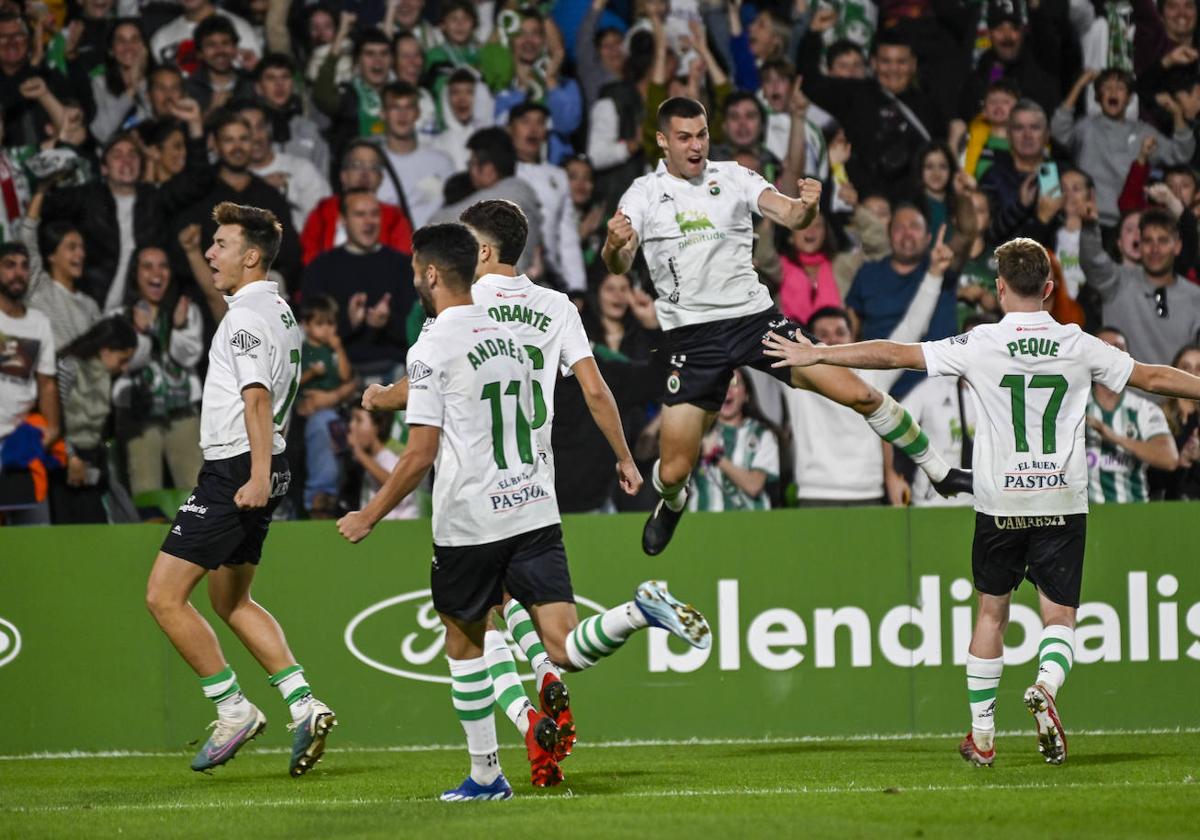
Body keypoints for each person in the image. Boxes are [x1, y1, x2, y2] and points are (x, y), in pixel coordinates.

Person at [762, 236, 1200, 768]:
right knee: (1059, 616)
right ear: (1048, 288)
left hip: (1000, 499)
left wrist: (819, 352)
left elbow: (895, 354)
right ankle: (1044, 686)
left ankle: (984, 737)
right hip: (1062, 495)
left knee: (992, 613)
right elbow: (1153, 376)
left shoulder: (980, 343)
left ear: (997, 289)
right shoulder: (1079, 342)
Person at [337, 221, 709, 800]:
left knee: (465, 638)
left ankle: (486, 771)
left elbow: (423, 442)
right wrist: (625, 456)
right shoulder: (527, 324)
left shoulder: (440, 333)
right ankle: (636, 612)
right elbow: (591, 390)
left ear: (445, 267)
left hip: (470, 516)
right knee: (561, 645)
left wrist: (370, 512)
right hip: (535, 503)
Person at [603, 96, 971, 556]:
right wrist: (616, 245)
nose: (695, 146)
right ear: (662, 141)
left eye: (701, 135)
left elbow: (792, 215)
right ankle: (673, 504)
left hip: (754, 321)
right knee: (675, 470)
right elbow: (616, 263)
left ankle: (940, 471)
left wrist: (808, 207)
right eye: (684, 137)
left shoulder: (733, 176)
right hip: (692, 339)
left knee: (858, 392)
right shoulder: (642, 193)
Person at [144, 202, 336, 778]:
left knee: (163, 596)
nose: (210, 253)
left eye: (221, 244)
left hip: (238, 471)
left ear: (251, 256)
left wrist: (252, 475)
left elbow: (255, 398)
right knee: (231, 601)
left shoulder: (245, 319)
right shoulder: (279, 311)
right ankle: (305, 704)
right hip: (268, 465)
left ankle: (232, 709)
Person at [112, 246, 204, 497]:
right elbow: (129, 363)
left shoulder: (185, 310)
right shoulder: (120, 316)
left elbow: (188, 357)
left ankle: (193, 537)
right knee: (145, 491)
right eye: (148, 266)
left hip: (182, 411)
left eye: (163, 265)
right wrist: (140, 332)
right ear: (135, 274)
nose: (157, 273)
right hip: (138, 414)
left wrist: (180, 326)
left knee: (194, 491)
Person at [299, 189, 415, 380]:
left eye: (374, 214)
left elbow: (417, 330)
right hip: (336, 370)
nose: (369, 221)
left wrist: (386, 322)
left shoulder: (403, 266)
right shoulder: (320, 268)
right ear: (343, 219)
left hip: (393, 367)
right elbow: (310, 336)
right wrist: (349, 322)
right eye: (360, 214)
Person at [1080, 206, 1200, 368]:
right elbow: (1092, 261)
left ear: (1177, 246)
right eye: (1148, 240)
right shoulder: (1116, 280)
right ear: (1140, 245)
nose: (1155, 249)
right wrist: (1089, 227)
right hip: (1122, 392)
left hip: (1175, 392)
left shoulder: (1195, 296)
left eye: (1163, 240)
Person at [52, 316, 137, 524]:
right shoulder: (68, 367)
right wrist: (70, 456)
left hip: (91, 461)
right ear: (105, 350)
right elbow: (54, 416)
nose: (125, 367)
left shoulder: (107, 375)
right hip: (62, 459)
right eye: (123, 359)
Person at [0, 242, 61, 525]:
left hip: (21, 442)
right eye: (9, 265)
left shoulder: (38, 322)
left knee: (34, 533)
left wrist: (51, 430)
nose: (18, 273)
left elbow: (47, 382)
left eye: (24, 266)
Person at [1086, 327, 1179, 502]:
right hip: (1089, 516)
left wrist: (1114, 438)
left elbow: (1169, 459)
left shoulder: (1144, 409)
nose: (1112, 355)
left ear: (1128, 357)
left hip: (1134, 513)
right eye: (1104, 348)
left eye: (1119, 349)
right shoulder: (1075, 406)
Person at [296, 294, 357, 516]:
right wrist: (311, 373)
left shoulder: (333, 350)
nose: (327, 329)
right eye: (320, 324)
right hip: (309, 413)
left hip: (336, 411)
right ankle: (319, 496)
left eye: (331, 323)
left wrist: (339, 349)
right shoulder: (301, 349)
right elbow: (292, 380)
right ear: (306, 325)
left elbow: (346, 375)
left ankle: (334, 493)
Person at [690, 369, 780, 511]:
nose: (728, 389)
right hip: (704, 524)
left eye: (735, 383)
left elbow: (754, 486)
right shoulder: (697, 432)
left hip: (748, 524)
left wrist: (716, 457)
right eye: (722, 384)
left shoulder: (762, 434)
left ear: (747, 395)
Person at [377, 81, 455, 228]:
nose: (402, 114)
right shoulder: (373, 165)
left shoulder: (442, 162)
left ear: (417, 112)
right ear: (383, 114)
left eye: (409, 107)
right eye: (395, 107)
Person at [347, 404, 417, 520]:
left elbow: (397, 485)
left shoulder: (391, 455)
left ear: (377, 425)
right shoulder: (371, 459)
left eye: (358, 420)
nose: (351, 426)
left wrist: (360, 454)